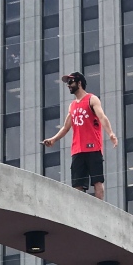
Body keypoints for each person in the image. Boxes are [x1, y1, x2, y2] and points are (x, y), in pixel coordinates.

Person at [42, 72, 118, 200]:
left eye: (70, 82)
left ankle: (99, 212)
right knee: (77, 185)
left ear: (79, 83)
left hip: (93, 148)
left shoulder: (91, 99)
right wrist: (53, 139)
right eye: (67, 83)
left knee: (97, 182)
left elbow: (102, 117)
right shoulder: (72, 106)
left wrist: (111, 133)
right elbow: (66, 127)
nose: (68, 85)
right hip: (77, 150)